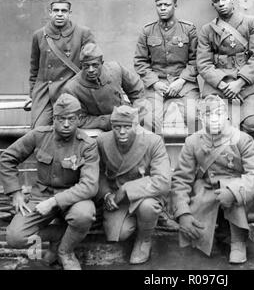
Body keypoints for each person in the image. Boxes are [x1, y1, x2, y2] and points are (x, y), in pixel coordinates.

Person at [171, 95, 254, 264]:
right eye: (209, 115)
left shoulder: (242, 139)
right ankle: (219, 231)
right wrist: (182, 212)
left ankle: (238, 242)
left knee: (235, 192)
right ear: (202, 118)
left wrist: (233, 191)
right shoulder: (193, 142)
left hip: (239, 186)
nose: (215, 119)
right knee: (196, 237)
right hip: (210, 188)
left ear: (226, 116)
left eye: (219, 113)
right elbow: (181, 179)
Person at [0, 94, 99, 270]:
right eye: (61, 119)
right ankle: (57, 236)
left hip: (73, 198)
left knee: (84, 215)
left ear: (79, 119)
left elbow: (89, 186)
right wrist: (15, 192)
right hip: (40, 196)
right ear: (54, 118)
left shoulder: (87, 145)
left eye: (71, 119)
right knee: (15, 237)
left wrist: (54, 202)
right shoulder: (39, 135)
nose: (66, 124)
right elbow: (7, 158)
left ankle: (65, 252)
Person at [96, 105, 171, 264]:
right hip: (118, 200)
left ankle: (144, 239)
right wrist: (106, 194)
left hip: (146, 195)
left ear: (136, 126)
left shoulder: (152, 141)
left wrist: (126, 189)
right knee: (120, 234)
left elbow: (163, 181)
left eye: (127, 127)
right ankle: (138, 223)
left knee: (148, 207)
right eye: (117, 127)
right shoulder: (102, 141)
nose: (122, 132)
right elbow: (98, 173)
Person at [197, 0, 254, 147]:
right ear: (213, 5)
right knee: (216, 124)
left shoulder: (250, 23)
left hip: (249, 86)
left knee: (251, 123)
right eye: (217, 1)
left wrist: (240, 83)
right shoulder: (207, 30)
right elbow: (203, 64)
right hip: (219, 87)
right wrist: (224, 85)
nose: (221, 3)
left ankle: (251, 158)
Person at [134, 0, 199, 135]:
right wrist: (155, 83)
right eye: (159, 5)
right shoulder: (147, 31)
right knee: (148, 120)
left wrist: (181, 81)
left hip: (184, 83)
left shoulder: (188, 29)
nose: (162, 8)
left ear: (175, 6)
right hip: (157, 84)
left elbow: (196, 60)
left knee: (193, 117)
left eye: (167, 5)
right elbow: (140, 61)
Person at [29, 0, 95, 128]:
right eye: (56, 10)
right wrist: (32, 94)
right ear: (50, 12)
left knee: (69, 128)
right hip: (45, 93)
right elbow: (34, 68)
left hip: (72, 91)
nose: (59, 14)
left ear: (69, 13)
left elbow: (92, 64)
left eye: (64, 11)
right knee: (39, 130)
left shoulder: (83, 33)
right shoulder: (39, 35)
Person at [63, 43, 147, 131]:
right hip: (98, 126)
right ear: (81, 65)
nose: (91, 70)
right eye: (86, 66)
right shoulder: (72, 88)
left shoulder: (115, 69)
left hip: (126, 115)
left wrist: (137, 111)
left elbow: (137, 89)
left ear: (102, 63)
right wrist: (108, 120)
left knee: (151, 126)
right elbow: (78, 119)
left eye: (95, 65)